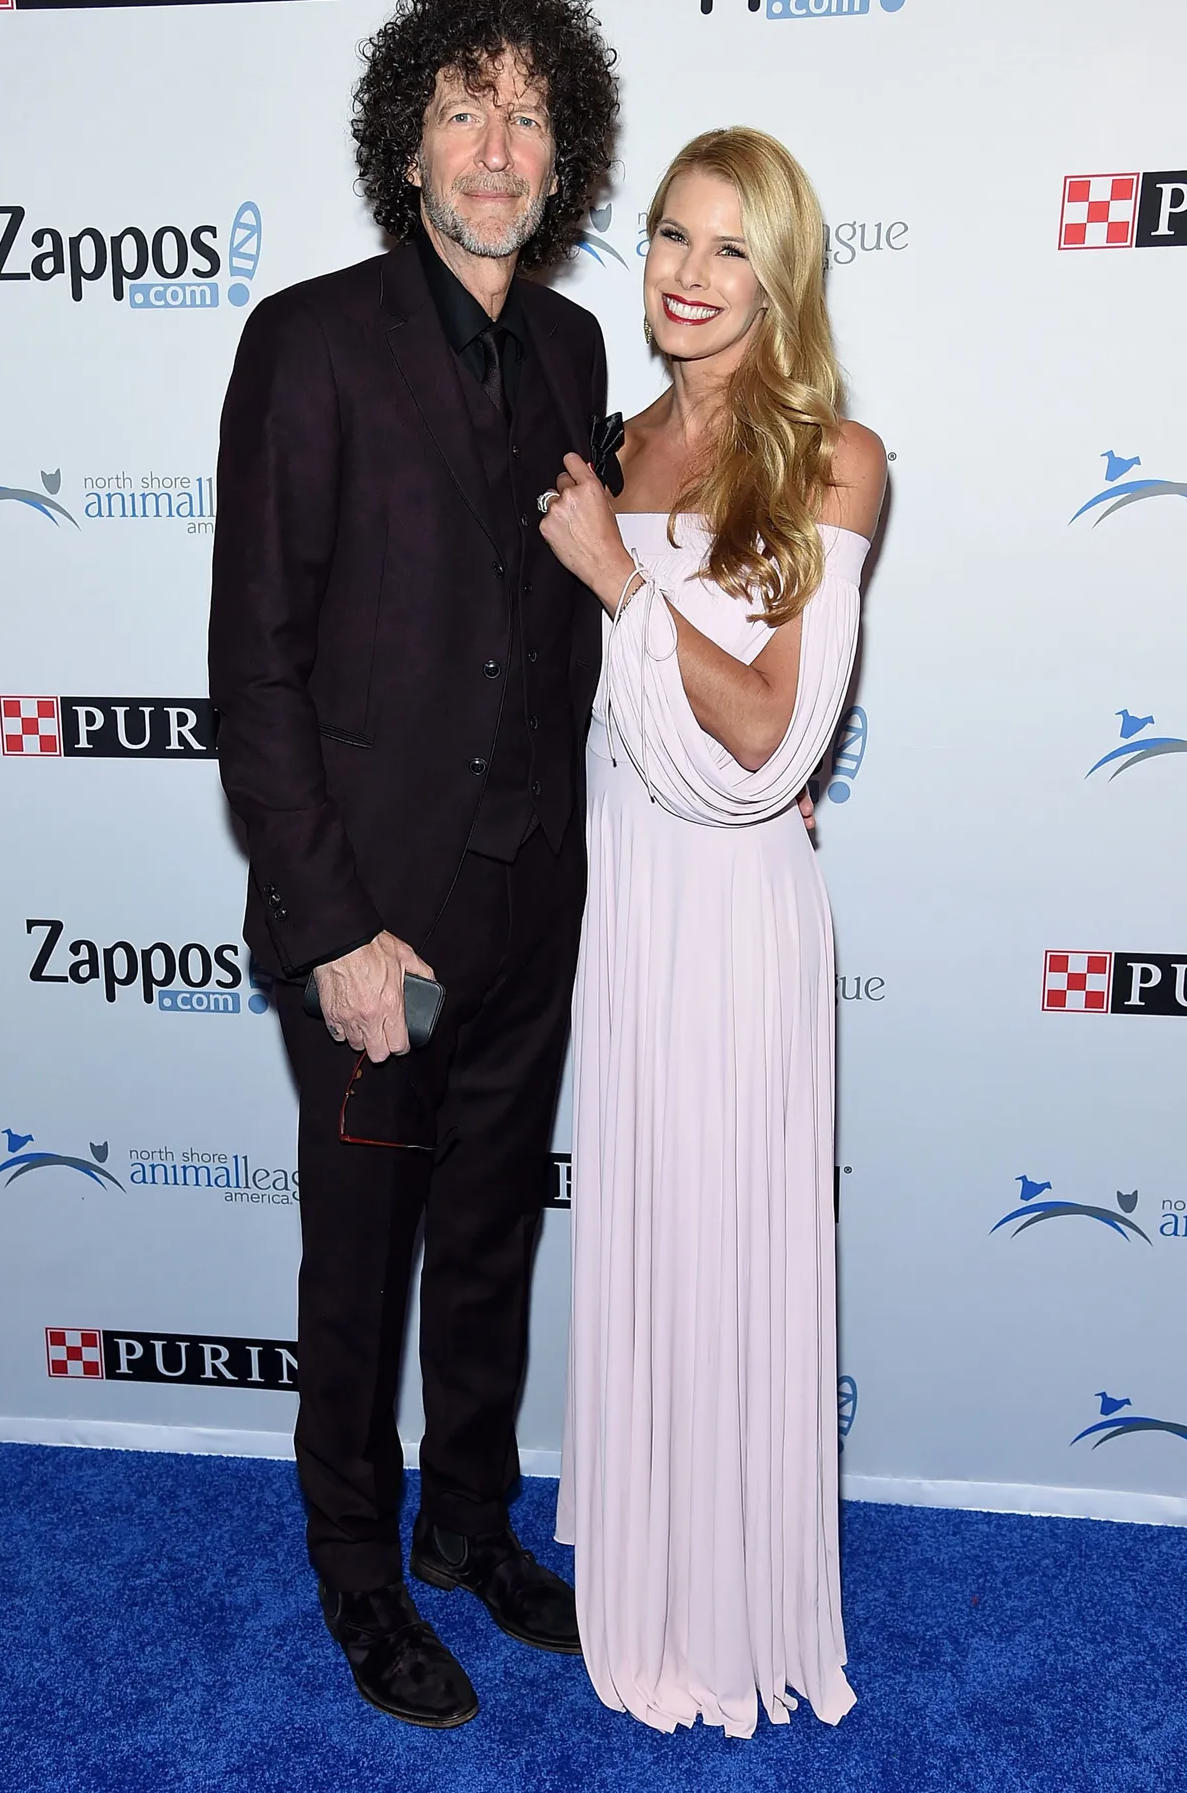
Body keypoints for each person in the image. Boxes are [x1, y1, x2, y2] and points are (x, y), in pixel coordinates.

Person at [208, 0, 618, 1730]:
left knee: (494, 1238)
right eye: (465, 109)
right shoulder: (306, 341)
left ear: (563, 153)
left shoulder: (578, 351)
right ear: (410, 143)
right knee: (363, 1263)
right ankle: (358, 1576)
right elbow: (255, 663)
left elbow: (574, 616)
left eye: (528, 113)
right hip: (376, 923)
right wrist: (334, 931)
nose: (498, 146)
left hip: (530, 899)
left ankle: (469, 1522)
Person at [542, 127, 886, 1737]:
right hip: (626, 895)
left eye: (732, 247)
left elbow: (765, 735)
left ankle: (735, 1594)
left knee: (731, 1241)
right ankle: (652, 1556)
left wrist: (622, 581)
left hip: (737, 916)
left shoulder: (834, 460)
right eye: (672, 236)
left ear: (781, 276)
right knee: (647, 1233)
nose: (689, 273)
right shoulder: (606, 446)